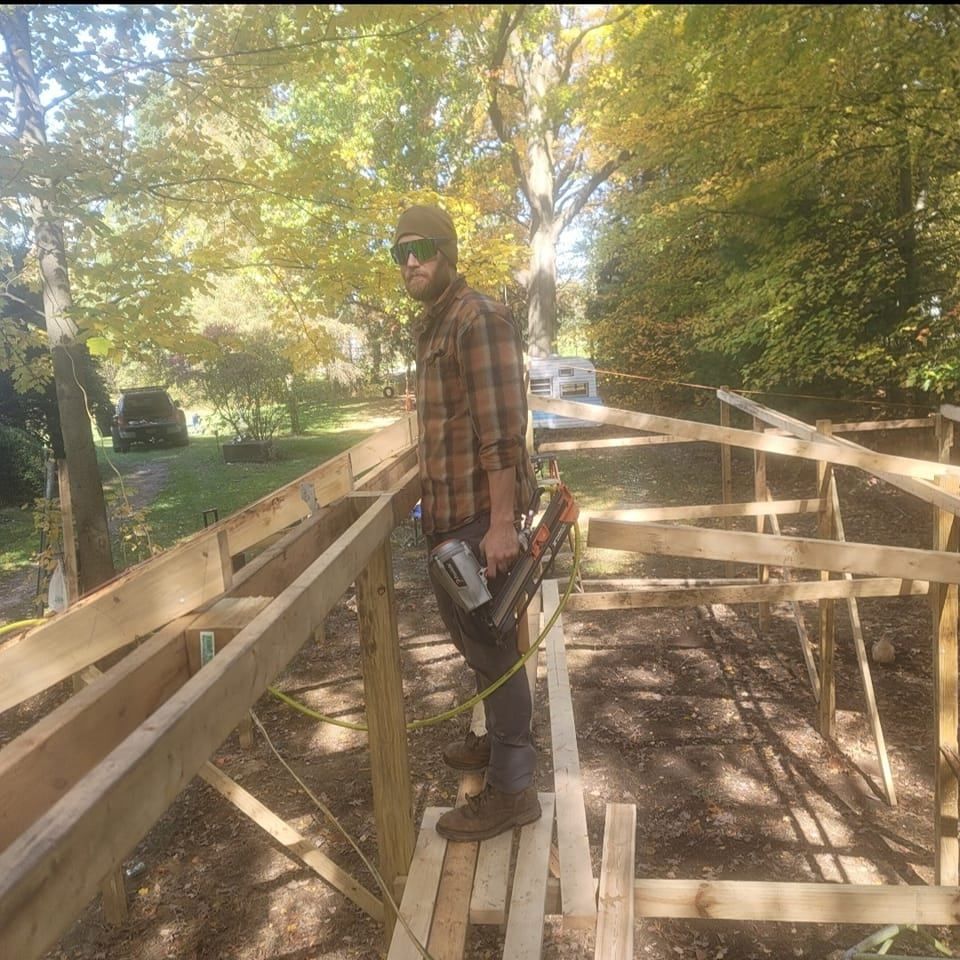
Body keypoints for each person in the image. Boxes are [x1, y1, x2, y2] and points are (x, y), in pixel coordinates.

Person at [391, 203, 541, 842]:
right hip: (450, 520)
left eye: (421, 248)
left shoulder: (477, 318)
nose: (410, 262)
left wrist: (502, 524)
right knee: (476, 645)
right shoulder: (436, 324)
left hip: (481, 521)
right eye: (398, 253)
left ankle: (513, 791)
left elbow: (501, 431)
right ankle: (499, 745)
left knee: (493, 647)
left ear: (447, 251)